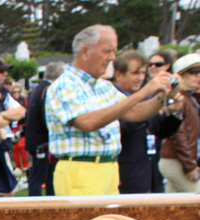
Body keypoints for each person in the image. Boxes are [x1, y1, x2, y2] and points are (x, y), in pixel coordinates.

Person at [45, 24, 173, 196]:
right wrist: (146, 90)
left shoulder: (103, 86)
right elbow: (87, 122)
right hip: (80, 168)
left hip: (108, 167)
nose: (112, 57)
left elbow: (134, 112)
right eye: (107, 51)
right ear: (85, 51)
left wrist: (163, 95)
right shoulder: (65, 85)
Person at [114, 50, 183, 194]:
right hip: (124, 178)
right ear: (119, 74)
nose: (140, 77)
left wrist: (174, 113)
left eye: (142, 73)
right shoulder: (110, 98)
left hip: (150, 176)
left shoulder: (145, 97)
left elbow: (161, 130)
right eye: (135, 73)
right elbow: (118, 130)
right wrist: (142, 112)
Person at [159, 54, 200, 193]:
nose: (198, 76)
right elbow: (178, 134)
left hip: (177, 161)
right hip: (176, 161)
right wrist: (190, 165)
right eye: (194, 72)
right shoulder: (179, 99)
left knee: (173, 210)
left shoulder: (189, 98)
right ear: (180, 75)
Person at [25, 62, 64, 196]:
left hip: (35, 140)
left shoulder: (38, 90)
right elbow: (47, 117)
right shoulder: (48, 91)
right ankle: (36, 208)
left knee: (42, 177)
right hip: (43, 142)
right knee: (42, 178)